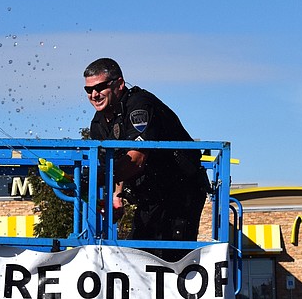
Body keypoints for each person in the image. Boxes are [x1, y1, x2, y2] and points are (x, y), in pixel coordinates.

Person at [83, 57, 210, 259]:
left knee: (171, 257)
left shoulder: (139, 105)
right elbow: (115, 162)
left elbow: (136, 159)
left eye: (100, 87)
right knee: (140, 253)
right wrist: (116, 197)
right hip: (151, 194)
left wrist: (99, 178)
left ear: (119, 84)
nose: (94, 94)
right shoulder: (99, 123)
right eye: (88, 90)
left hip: (182, 188)